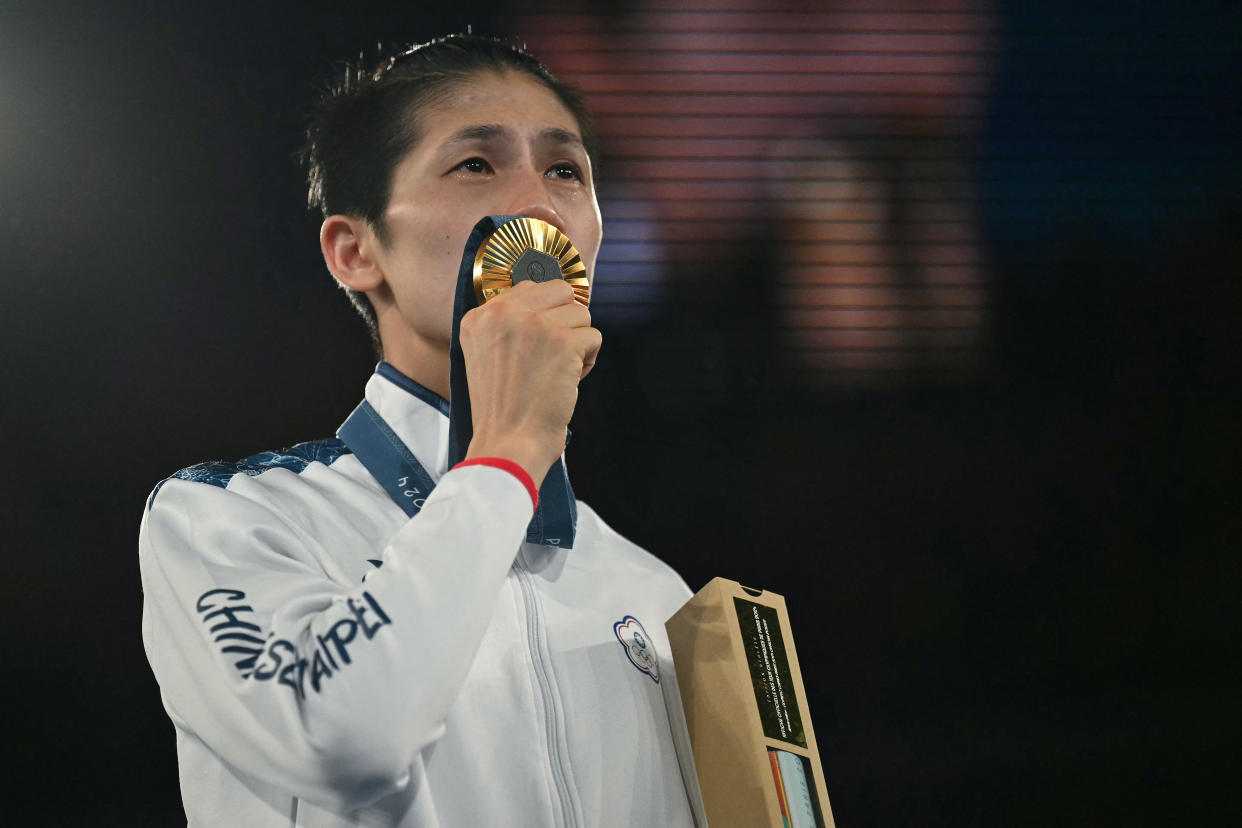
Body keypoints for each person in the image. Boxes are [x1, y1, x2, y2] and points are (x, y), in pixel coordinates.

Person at [139, 34, 699, 827]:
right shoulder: (226, 523)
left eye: (565, 170)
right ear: (356, 250)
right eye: (476, 164)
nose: (540, 206)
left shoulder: (654, 594)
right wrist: (502, 461)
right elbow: (342, 740)